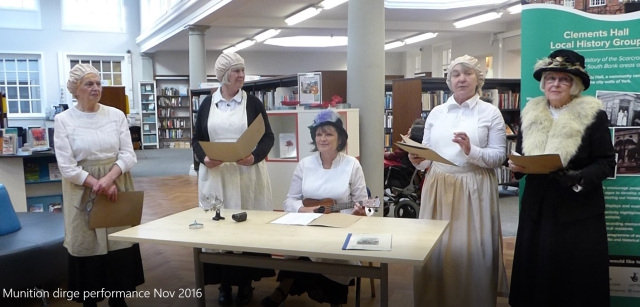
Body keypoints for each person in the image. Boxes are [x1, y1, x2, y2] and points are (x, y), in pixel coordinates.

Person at [507, 49, 615, 306]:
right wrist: (516, 167)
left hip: (577, 211)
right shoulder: (530, 113)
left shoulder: (593, 115)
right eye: (551, 78)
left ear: (575, 85)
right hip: (538, 207)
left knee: (573, 279)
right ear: (544, 84)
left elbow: (607, 162)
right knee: (537, 272)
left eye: (564, 79)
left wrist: (579, 177)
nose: (555, 84)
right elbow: (521, 154)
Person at [408, 55, 508, 306]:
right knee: (436, 248)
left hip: (474, 186)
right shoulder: (437, 112)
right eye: (456, 74)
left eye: (468, 73)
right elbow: (429, 154)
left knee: (472, 250)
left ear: (478, 79)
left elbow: (498, 157)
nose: (461, 78)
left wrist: (470, 150)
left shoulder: (491, 113)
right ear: (449, 81)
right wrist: (417, 159)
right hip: (438, 185)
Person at [54, 63, 143, 307]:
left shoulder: (116, 115)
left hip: (116, 184)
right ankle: (90, 301)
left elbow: (129, 154)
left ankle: (118, 299)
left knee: (118, 240)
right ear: (75, 89)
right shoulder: (63, 120)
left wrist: (108, 179)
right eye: (89, 84)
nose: (96, 88)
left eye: (98, 83)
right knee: (86, 242)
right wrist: (97, 183)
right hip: (82, 190)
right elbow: (67, 165)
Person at [260, 109, 368, 307]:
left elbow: (363, 203)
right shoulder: (305, 165)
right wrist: (304, 210)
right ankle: (284, 288)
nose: (323, 138)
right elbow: (289, 201)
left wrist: (359, 212)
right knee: (298, 246)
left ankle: (332, 297)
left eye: (328, 133)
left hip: (339, 228)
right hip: (306, 225)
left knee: (329, 250)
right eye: (319, 134)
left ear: (340, 138)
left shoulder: (352, 165)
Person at [192, 52, 275, 306]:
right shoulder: (207, 104)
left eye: (242, 70)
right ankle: (224, 285)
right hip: (217, 175)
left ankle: (246, 284)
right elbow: (196, 139)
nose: (241, 75)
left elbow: (267, 137)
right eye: (236, 71)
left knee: (246, 229)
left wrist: (255, 156)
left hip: (246, 173)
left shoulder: (253, 104)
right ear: (223, 75)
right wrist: (204, 158)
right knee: (219, 229)